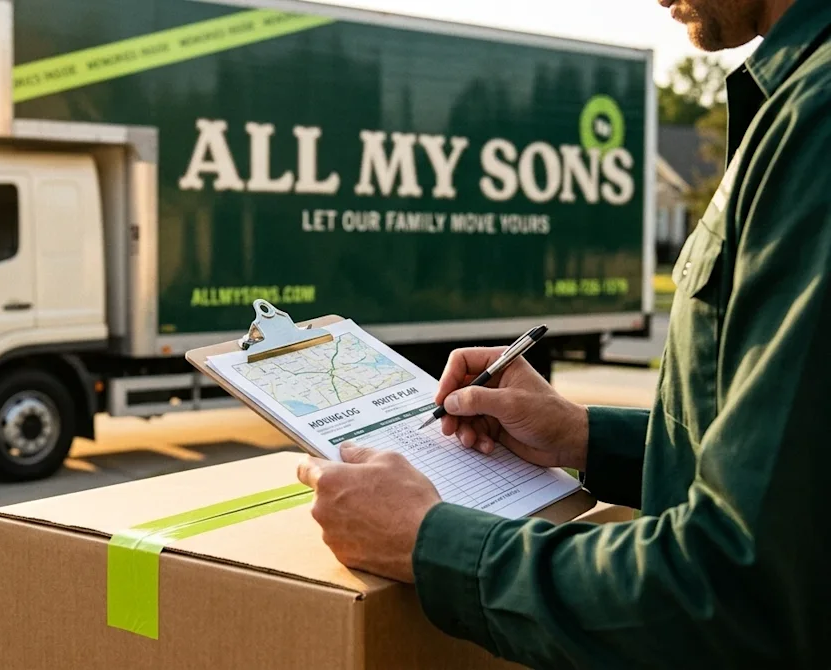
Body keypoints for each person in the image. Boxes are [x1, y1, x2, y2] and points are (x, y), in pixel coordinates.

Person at [296, 0, 831, 666]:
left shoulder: (818, 121)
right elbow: (789, 468)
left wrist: (426, 543)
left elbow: (734, 590)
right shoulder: (798, 100)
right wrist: (580, 435)